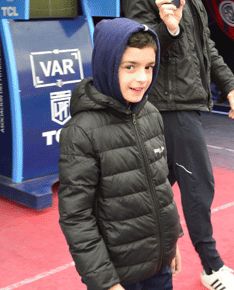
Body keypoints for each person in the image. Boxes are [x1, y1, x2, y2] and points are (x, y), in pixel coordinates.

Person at [122, 0, 234, 290]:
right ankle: (212, 268)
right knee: (198, 185)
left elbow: (203, 42)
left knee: (156, 189)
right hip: (167, 105)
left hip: (189, 99)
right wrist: (165, 24)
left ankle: (135, 257)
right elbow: (134, 49)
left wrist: (228, 83)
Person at [59, 17, 182, 290]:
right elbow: (76, 217)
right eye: (130, 67)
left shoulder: (150, 114)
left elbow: (161, 187)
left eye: (149, 67)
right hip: (119, 276)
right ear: (106, 65)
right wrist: (105, 283)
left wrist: (171, 242)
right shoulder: (81, 132)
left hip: (158, 264)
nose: (142, 78)